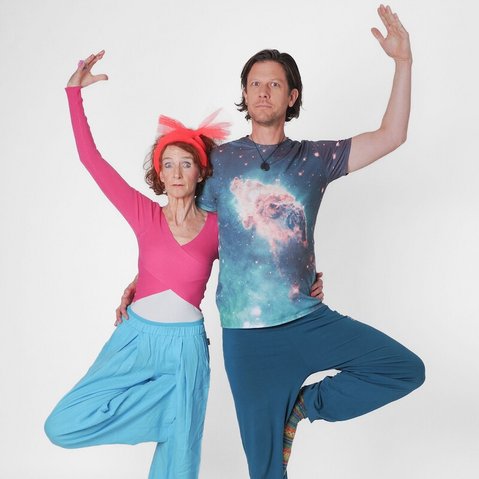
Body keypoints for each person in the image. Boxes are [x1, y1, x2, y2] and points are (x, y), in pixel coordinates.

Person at [118, 5, 425, 478]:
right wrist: (144, 281)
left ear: (291, 96)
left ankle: (305, 407)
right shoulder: (217, 164)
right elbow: (189, 233)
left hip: (309, 321)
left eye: (275, 84)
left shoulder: (315, 158)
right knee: (265, 472)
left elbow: (392, 135)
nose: (263, 91)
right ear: (244, 94)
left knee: (405, 368)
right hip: (248, 339)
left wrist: (403, 61)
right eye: (255, 83)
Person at [44, 51, 230, 479]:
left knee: (178, 467)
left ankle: (175, 414)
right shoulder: (145, 215)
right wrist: (74, 93)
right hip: (134, 340)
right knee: (62, 425)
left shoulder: (219, 228)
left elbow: (262, 258)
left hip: (186, 349)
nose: (177, 173)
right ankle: (169, 412)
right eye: (168, 165)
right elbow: (92, 161)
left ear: (201, 172)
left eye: (186, 164)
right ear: (159, 174)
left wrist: (307, 278)